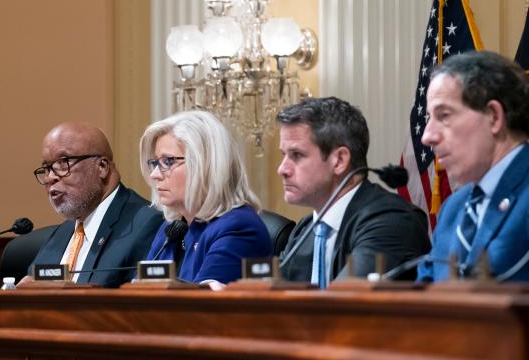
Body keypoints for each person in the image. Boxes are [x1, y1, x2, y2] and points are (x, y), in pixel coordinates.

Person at [277, 97, 429, 286]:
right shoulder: (306, 229)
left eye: (297, 155)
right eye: (284, 156)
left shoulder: (391, 221)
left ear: (339, 161)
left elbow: (343, 307)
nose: (282, 169)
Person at [418, 51, 529, 282]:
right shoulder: (454, 208)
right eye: (429, 118)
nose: (427, 136)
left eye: (444, 115)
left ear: (493, 117)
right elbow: (425, 298)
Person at [140, 110, 270, 286]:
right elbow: (143, 293)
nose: (155, 174)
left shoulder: (239, 228)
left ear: (205, 165)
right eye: (155, 162)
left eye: (168, 162)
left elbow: (201, 308)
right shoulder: (172, 228)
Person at [27, 122, 163, 287]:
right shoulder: (62, 234)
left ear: (102, 167)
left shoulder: (146, 223)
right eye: (47, 168)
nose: (50, 177)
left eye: (64, 163)